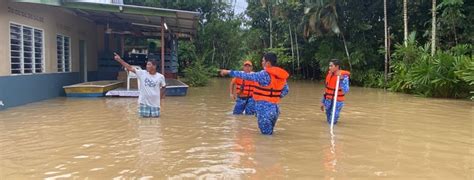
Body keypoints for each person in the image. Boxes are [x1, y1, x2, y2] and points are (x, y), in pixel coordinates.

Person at [221, 52, 289, 135]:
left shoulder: (264, 75)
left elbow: (247, 76)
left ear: (268, 63)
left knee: (266, 139)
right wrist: (272, 97)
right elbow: (286, 90)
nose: (262, 62)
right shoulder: (280, 76)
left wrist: (228, 72)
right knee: (270, 134)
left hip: (264, 111)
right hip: (275, 110)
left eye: (263, 61)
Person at [113, 52, 166, 118]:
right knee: (144, 123)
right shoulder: (142, 73)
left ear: (154, 66)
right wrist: (120, 60)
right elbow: (129, 68)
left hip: (155, 104)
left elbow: (163, 87)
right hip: (144, 103)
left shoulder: (160, 77)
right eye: (147, 65)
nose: (147, 66)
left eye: (149, 65)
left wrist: (160, 98)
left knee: (156, 122)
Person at [320, 59, 350, 124]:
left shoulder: (344, 76)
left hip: (337, 101)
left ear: (337, 66)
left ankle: (333, 131)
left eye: (331, 66)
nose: (329, 67)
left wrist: (342, 80)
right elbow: (326, 90)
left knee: (333, 120)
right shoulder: (329, 74)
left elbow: (346, 90)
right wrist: (322, 102)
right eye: (329, 66)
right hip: (328, 100)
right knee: (328, 119)